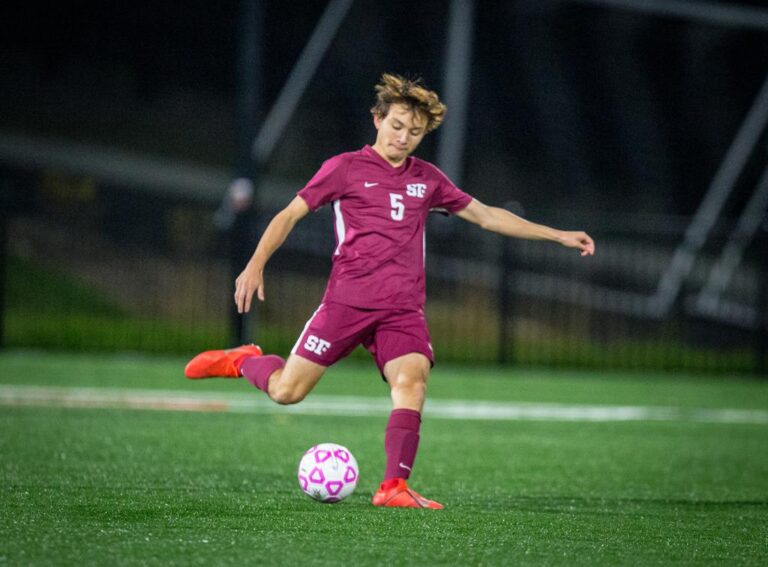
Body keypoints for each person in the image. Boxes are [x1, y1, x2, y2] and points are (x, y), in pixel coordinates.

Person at [185, 73, 595, 509]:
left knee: (412, 381)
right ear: (377, 119)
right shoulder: (344, 168)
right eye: (397, 125)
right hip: (346, 302)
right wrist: (255, 264)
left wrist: (558, 235)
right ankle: (247, 361)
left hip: (401, 309)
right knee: (288, 392)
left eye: (415, 132)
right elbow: (289, 214)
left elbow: (488, 217)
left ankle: (393, 487)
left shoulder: (428, 180)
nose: (404, 137)